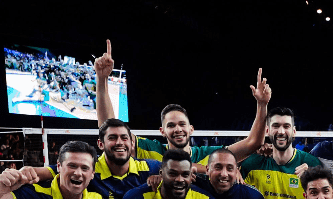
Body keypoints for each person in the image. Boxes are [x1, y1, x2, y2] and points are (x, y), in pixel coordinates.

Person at [93, 40, 268, 169]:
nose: (177, 129)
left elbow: (253, 142)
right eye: (171, 125)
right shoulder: (149, 148)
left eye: (182, 124)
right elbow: (109, 130)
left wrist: (262, 104)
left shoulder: (209, 155)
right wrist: (102, 80)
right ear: (162, 132)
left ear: (191, 129)